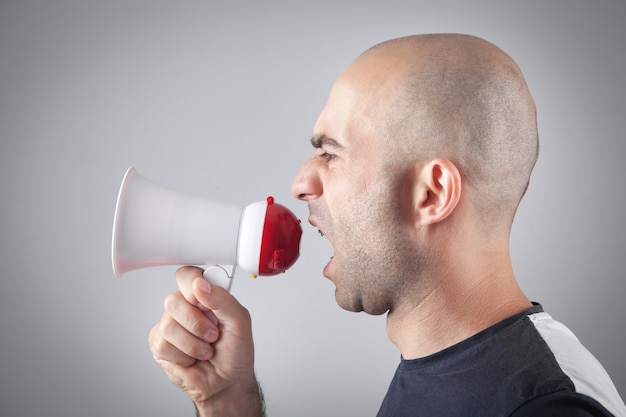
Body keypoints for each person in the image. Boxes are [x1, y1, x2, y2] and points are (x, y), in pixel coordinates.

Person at [148, 34, 626, 416]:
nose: (299, 182)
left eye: (330, 152)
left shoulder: (545, 406)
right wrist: (227, 402)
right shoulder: (448, 370)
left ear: (432, 194)